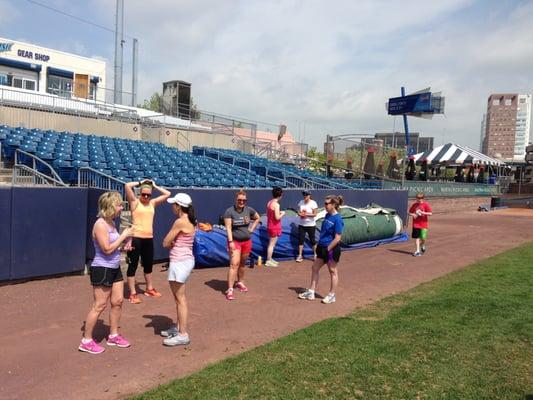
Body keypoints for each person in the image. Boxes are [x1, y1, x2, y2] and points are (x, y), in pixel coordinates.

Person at [79, 191, 133, 355]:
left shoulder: (111, 223)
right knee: (100, 305)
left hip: (114, 268)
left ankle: (114, 335)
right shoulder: (100, 224)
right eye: (118, 205)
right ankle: (86, 341)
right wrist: (123, 235)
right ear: (110, 206)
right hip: (102, 269)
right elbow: (107, 249)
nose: (121, 207)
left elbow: (114, 248)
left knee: (117, 301)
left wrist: (125, 246)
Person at [124, 179, 171, 304]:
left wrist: (154, 185)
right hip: (136, 238)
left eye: (148, 195)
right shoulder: (134, 202)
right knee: (133, 265)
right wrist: (140, 182)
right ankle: (133, 293)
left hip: (148, 239)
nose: (145, 196)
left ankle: (149, 288)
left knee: (149, 265)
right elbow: (127, 186)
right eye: (143, 194)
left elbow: (168, 194)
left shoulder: (152, 203)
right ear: (139, 194)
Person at [160, 193, 196, 346]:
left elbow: (165, 242)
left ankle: (183, 334)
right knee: (178, 298)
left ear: (179, 206)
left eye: (174, 204)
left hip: (180, 262)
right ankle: (179, 327)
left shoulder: (180, 221)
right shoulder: (190, 220)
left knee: (180, 299)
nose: (172, 207)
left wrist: (171, 243)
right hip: (184, 261)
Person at [298, 195, 344, 304]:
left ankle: (332, 295)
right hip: (322, 246)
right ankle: (311, 291)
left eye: (327, 203)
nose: (325, 205)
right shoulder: (327, 215)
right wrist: (320, 246)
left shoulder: (338, 219)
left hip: (331, 249)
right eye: (325, 203)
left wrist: (327, 249)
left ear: (333, 205)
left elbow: (337, 238)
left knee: (332, 271)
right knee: (314, 268)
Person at [223, 189, 260, 300]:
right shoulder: (229, 211)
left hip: (247, 241)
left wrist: (251, 229)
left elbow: (257, 218)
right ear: (236, 199)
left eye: (244, 200)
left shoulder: (249, 210)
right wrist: (230, 242)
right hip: (235, 241)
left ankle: (240, 282)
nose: (242, 202)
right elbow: (228, 228)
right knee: (234, 264)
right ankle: (230, 289)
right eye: (240, 200)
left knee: (242, 264)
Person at [265, 187, 285, 267]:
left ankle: (270, 259)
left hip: (270, 225)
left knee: (271, 244)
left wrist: (278, 212)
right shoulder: (276, 204)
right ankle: (268, 260)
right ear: (280, 195)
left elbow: (269, 214)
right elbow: (277, 217)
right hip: (274, 226)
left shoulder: (269, 202)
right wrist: (283, 213)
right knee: (272, 244)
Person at [296, 190, 318, 262]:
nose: (305, 196)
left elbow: (315, 214)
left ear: (309, 195)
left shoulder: (313, 203)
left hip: (311, 225)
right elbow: (299, 211)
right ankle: (300, 255)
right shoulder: (301, 202)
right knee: (300, 240)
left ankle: (315, 254)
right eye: (304, 194)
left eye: (306, 194)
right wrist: (300, 214)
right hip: (302, 224)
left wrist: (306, 214)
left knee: (312, 240)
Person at [409, 192, 433, 257]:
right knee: (417, 238)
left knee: (423, 238)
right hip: (416, 224)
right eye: (417, 198)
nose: (418, 199)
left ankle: (422, 245)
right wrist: (413, 214)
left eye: (420, 198)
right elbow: (410, 212)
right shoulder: (414, 205)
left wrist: (423, 212)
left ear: (423, 198)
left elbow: (430, 213)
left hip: (423, 224)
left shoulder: (425, 205)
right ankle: (417, 251)